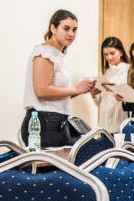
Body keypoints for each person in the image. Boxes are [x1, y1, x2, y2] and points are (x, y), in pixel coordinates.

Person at [21, 9, 93, 148]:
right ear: (53, 28)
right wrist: (74, 89)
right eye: (66, 28)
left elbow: (55, 95)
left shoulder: (57, 55)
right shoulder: (44, 53)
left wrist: (80, 90)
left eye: (74, 30)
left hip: (55, 122)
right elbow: (41, 91)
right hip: (44, 123)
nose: (71, 34)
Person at [92, 36, 130, 133]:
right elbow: (99, 103)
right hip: (104, 125)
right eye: (106, 54)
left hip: (122, 123)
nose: (109, 57)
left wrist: (117, 91)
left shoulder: (129, 70)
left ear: (121, 52)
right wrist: (94, 95)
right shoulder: (104, 72)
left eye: (112, 53)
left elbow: (133, 98)